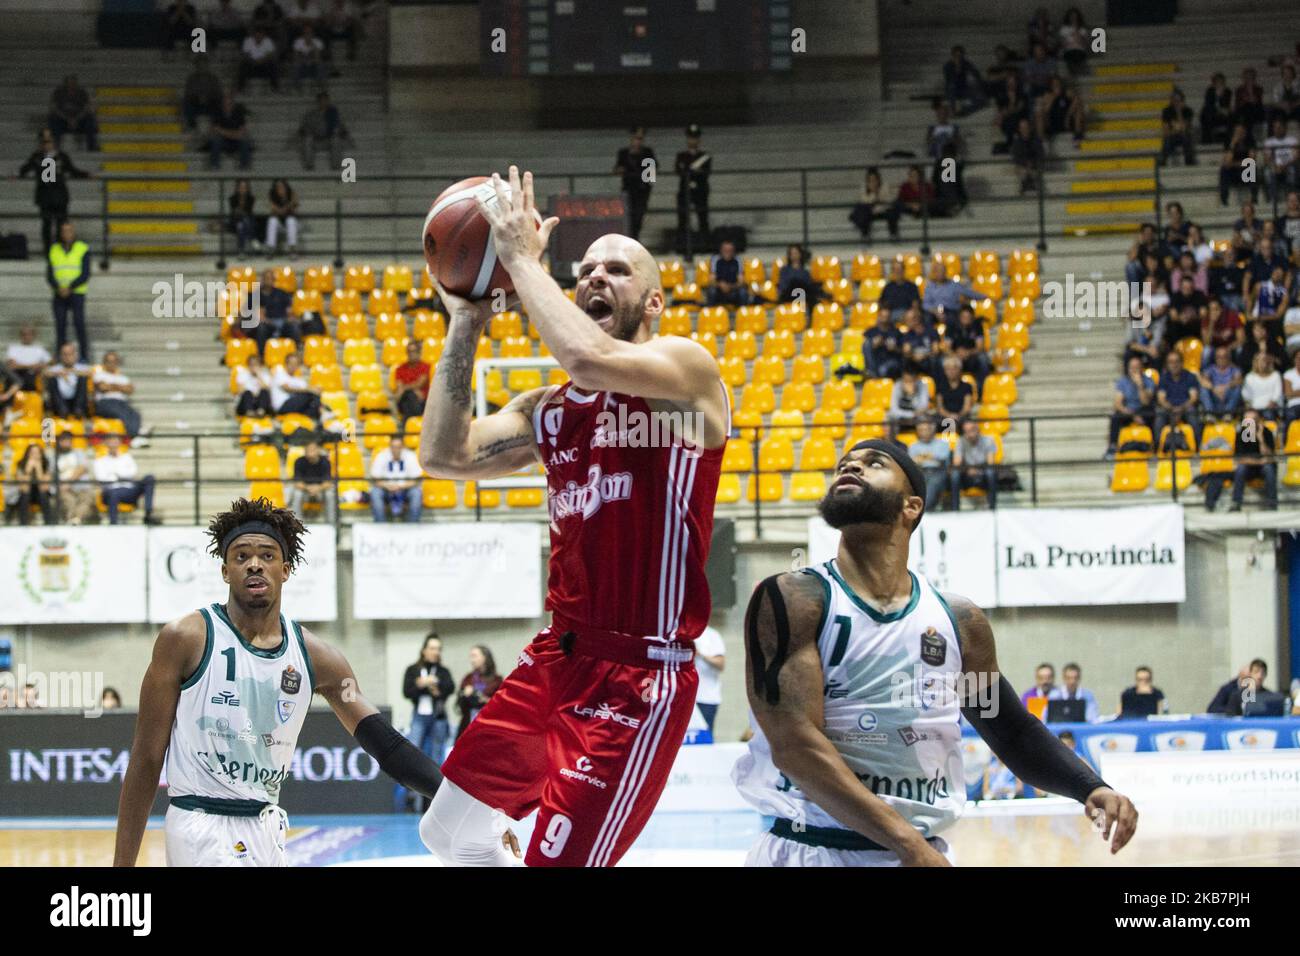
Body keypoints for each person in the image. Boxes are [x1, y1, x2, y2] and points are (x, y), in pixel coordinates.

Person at [418, 167, 728, 868]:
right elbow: (441, 454)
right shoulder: (549, 412)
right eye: (584, 267)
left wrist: (522, 259)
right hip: (557, 657)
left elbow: (586, 356)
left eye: (616, 269)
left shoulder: (685, 371)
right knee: (446, 831)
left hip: (638, 677)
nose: (594, 277)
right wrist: (465, 318)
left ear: (652, 300)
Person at [732, 440, 1138, 866]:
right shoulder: (796, 598)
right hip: (814, 849)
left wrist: (1090, 787)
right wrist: (908, 844)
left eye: (874, 463)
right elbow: (795, 746)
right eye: (844, 464)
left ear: (911, 506)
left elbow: (1009, 730)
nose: (851, 467)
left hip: (922, 851)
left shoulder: (959, 621)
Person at [113, 497, 461, 867]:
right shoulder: (185, 638)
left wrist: (458, 799)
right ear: (225, 571)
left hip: (267, 826)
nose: (254, 565)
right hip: (201, 824)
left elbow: (384, 743)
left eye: (266, 556)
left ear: (286, 569)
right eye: (241, 556)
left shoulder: (317, 657)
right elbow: (147, 758)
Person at [18, 129, 93, 253]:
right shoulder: (37, 157)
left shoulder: (61, 156)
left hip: (60, 196)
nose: (47, 144)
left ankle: (61, 249)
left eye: (49, 141)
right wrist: (17, 174)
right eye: (44, 141)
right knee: (46, 225)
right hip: (44, 196)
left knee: (61, 224)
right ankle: (48, 251)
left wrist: (86, 174)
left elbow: (72, 170)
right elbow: (25, 168)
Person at [403, 633, 455, 766]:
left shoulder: (443, 671)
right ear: (424, 650)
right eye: (432, 648)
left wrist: (436, 686)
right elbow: (407, 691)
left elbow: (450, 688)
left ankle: (436, 786)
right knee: (413, 750)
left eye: (438, 649)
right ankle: (412, 785)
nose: (435, 652)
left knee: (437, 752)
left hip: (438, 715)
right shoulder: (413, 669)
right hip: (419, 715)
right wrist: (420, 685)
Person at [47, 220, 91, 362]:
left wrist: (70, 287)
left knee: (79, 324)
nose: (67, 234)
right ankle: (61, 358)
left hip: (77, 293)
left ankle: (83, 356)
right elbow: (49, 274)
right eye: (64, 231)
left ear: (74, 232)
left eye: (69, 230)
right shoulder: (54, 249)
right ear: (61, 233)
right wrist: (57, 287)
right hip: (59, 293)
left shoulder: (82, 248)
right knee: (60, 326)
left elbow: (85, 273)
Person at [93, 434, 159, 525]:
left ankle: (148, 513)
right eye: (111, 442)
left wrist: (115, 473)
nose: (113, 445)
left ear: (119, 443)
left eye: (115, 442)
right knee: (114, 494)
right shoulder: (99, 461)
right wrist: (123, 475)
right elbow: (102, 478)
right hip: (111, 491)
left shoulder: (127, 457)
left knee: (149, 478)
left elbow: (133, 472)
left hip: (129, 490)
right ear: (106, 444)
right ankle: (113, 524)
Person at [93, 351, 148, 442]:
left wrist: (111, 386)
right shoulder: (99, 375)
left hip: (122, 403)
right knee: (122, 414)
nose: (112, 364)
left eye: (114, 361)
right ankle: (133, 437)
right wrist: (121, 387)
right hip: (106, 403)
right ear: (104, 362)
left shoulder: (123, 377)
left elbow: (130, 390)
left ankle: (134, 435)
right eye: (109, 361)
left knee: (135, 414)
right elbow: (102, 387)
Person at [613, 127, 655, 241]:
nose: (638, 141)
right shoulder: (624, 153)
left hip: (642, 191)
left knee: (638, 219)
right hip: (628, 191)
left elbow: (651, 175)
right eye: (636, 138)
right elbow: (617, 169)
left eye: (640, 139)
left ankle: (635, 240)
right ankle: (630, 240)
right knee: (628, 218)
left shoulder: (647, 153)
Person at [674, 124, 711, 253]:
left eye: (695, 138)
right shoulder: (681, 155)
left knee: (703, 218)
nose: (693, 141)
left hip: (700, 191)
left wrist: (688, 169)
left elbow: (705, 173)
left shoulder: (705, 156)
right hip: (685, 191)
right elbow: (679, 170)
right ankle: (682, 247)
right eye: (690, 138)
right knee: (683, 219)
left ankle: (705, 246)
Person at [907, 417, 957, 510]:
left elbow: (942, 461)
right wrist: (931, 457)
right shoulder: (913, 446)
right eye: (921, 430)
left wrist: (922, 458)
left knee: (933, 483)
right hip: (920, 473)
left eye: (926, 429)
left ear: (932, 429)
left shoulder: (943, 443)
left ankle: (923, 510)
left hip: (938, 472)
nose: (924, 432)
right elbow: (913, 463)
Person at [1108, 356, 1156, 454]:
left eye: (1136, 367)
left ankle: (1154, 447)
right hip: (1129, 411)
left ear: (1142, 368)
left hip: (1144, 410)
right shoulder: (1123, 382)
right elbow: (1118, 403)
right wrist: (1132, 415)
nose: (1134, 370)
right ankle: (1113, 446)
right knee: (1115, 416)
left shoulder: (1148, 381)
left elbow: (1145, 402)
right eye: (1132, 368)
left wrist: (1140, 385)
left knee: (1153, 415)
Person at [369, 435, 422, 523]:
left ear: (403, 447)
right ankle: (380, 525)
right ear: (390, 447)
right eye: (393, 447)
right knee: (375, 492)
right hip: (386, 489)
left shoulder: (411, 456)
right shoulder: (381, 456)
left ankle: (413, 524)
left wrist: (400, 487)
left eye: (398, 447)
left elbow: (415, 480)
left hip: (405, 489)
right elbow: (376, 479)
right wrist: (388, 486)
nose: (395, 450)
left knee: (416, 493)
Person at [454, 645, 501, 739]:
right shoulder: (468, 679)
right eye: (471, 657)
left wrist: (483, 699)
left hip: (488, 726)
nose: (472, 660)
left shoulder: (497, 680)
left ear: (485, 657)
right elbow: (459, 704)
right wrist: (464, 694)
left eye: (474, 656)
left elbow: (500, 705)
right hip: (468, 724)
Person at [4, 444, 56, 525]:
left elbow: (44, 488)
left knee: (43, 495)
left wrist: (39, 469)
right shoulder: (21, 464)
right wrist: (28, 470)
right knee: (25, 495)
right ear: (27, 454)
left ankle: (49, 524)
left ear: (41, 454)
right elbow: (23, 488)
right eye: (32, 453)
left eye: (37, 453)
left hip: (40, 492)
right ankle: (23, 524)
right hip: (26, 492)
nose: (35, 456)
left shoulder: (46, 464)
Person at [298, 92, 351, 171]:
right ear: (318, 102)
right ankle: (309, 167)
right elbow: (304, 127)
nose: (323, 102)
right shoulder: (311, 114)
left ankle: (336, 167)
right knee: (307, 140)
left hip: (329, 140)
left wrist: (339, 131)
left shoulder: (334, 113)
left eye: (325, 100)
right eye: (321, 100)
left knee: (336, 140)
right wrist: (308, 132)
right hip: (316, 140)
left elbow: (342, 128)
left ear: (328, 101)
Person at [53, 430, 97, 524]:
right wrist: (60, 486)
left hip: (80, 485)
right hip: (62, 488)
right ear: (59, 442)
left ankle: (76, 520)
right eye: (64, 440)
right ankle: (72, 521)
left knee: (88, 497)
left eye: (69, 440)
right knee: (69, 501)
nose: (67, 442)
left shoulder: (78, 452)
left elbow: (82, 468)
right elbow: (51, 473)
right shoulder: (54, 456)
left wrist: (68, 483)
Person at [1154, 350, 1199, 442]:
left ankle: (1197, 448)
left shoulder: (1190, 377)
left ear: (1182, 363)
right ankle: (1157, 448)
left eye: (1176, 361)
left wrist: (1181, 408)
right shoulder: (1164, 378)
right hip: (1169, 408)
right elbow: (1161, 399)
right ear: (1167, 364)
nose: (1174, 365)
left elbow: (1193, 398)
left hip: (1185, 407)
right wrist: (1172, 409)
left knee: (1192, 414)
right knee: (1159, 416)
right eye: (1171, 362)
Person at [287, 438, 336, 523]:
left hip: (320, 492)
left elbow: (328, 483)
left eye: (312, 449)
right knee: (297, 493)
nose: (310, 452)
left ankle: (331, 523)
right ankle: (297, 523)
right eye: (307, 450)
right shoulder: (299, 461)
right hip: (305, 491)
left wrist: (318, 488)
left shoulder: (325, 462)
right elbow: (297, 483)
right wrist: (308, 488)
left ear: (318, 450)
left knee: (330, 494)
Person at [954, 418, 998, 508]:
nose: (970, 434)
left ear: (978, 429)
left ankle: (992, 507)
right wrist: (967, 470)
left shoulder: (988, 440)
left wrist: (977, 469)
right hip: (967, 475)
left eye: (972, 430)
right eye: (966, 431)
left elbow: (990, 462)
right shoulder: (960, 441)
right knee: (955, 474)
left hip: (983, 475)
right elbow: (956, 463)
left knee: (990, 472)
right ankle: (955, 508)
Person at [47, 76, 98, 152]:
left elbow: (87, 108)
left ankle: (91, 147)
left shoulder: (82, 93)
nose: (71, 85)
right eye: (69, 83)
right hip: (63, 121)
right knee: (53, 119)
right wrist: (68, 119)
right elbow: (54, 108)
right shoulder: (59, 93)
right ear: (65, 84)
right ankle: (55, 146)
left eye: (73, 83)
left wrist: (76, 119)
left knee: (90, 119)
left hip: (79, 121)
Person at [849, 167, 898, 242]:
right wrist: (873, 194)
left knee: (892, 211)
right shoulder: (864, 187)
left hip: (883, 211)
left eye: (874, 179)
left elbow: (888, 201)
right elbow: (864, 201)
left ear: (878, 179)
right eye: (870, 180)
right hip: (869, 211)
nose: (873, 182)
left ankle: (893, 235)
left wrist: (878, 196)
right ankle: (865, 235)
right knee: (862, 210)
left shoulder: (885, 186)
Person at [693, 624, 726, 734]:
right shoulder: (680, 633)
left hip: (706, 698)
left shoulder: (712, 635)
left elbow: (721, 664)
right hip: (685, 696)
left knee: (704, 737)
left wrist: (700, 654)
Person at [45, 341, 92, 418]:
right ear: (60, 356)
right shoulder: (55, 368)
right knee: (51, 379)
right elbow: (45, 373)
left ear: (75, 355)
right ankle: (62, 410)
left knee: (83, 379)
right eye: (64, 354)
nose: (67, 357)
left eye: (70, 354)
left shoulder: (82, 367)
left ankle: (78, 410)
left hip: (77, 401)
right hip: (59, 402)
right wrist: (57, 373)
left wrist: (71, 371)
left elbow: (91, 373)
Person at [270, 352, 322, 419]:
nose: (293, 366)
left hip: (295, 407)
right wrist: (310, 390)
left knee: (313, 400)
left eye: (295, 364)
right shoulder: (279, 374)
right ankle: (323, 413)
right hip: (282, 406)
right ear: (286, 364)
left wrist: (315, 389)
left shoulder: (298, 379)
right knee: (309, 394)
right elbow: (287, 388)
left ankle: (314, 420)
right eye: (291, 363)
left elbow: (309, 389)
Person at [209, 92, 252, 170]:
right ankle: (214, 166)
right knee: (215, 141)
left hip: (236, 142)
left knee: (245, 141)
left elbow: (242, 132)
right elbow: (214, 130)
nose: (227, 105)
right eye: (225, 102)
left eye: (229, 103)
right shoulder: (217, 112)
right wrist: (233, 134)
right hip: (223, 142)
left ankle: (244, 167)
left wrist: (223, 132)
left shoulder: (238, 113)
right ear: (222, 103)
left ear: (233, 103)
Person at [1199, 346, 1242, 421]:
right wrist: (1214, 388)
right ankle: (1210, 414)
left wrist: (1225, 387)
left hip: (1227, 400)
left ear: (1229, 358)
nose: (1221, 359)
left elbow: (1239, 380)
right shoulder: (1211, 369)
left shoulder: (1234, 369)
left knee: (1237, 389)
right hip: (1214, 400)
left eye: (1224, 356)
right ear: (1215, 358)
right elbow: (1203, 381)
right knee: (1203, 390)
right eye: (1219, 357)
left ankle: (1227, 414)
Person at [181, 57, 223, 132]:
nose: (202, 68)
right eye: (200, 65)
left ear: (207, 66)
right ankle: (191, 125)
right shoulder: (191, 78)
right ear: (196, 66)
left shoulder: (213, 78)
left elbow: (219, 93)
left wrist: (208, 97)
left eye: (204, 65)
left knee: (220, 102)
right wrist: (198, 97)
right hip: (196, 104)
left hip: (210, 104)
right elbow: (188, 93)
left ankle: (216, 124)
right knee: (185, 102)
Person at [7, 324, 52, 392]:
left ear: (33, 336)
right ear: (20, 336)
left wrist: (42, 365)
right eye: (24, 334)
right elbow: (12, 366)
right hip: (18, 374)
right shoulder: (13, 348)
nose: (27, 336)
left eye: (29, 334)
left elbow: (51, 361)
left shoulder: (39, 349)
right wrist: (33, 366)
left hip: (34, 375)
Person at [942, 45, 986, 116]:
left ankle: (965, 110)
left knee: (981, 99)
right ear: (952, 55)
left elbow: (976, 74)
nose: (958, 58)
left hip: (964, 89)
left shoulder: (966, 63)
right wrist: (957, 68)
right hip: (953, 90)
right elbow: (949, 79)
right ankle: (953, 110)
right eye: (956, 56)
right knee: (951, 87)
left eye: (960, 56)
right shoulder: (948, 65)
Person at [392, 340, 430, 419]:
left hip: (421, 402)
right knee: (410, 396)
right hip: (406, 401)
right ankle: (414, 426)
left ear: (419, 352)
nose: (411, 354)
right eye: (409, 351)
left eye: (413, 351)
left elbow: (420, 384)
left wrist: (405, 388)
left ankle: (408, 425)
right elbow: (399, 388)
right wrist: (413, 390)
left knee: (409, 398)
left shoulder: (425, 366)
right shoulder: (400, 369)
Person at [886, 369, 929, 437]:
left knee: (925, 419)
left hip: (916, 419)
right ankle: (892, 444)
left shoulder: (922, 385)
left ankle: (922, 444)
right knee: (889, 418)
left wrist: (912, 395)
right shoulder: (898, 385)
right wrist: (911, 414)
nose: (908, 383)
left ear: (916, 379)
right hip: (901, 418)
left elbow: (923, 407)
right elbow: (894, 410)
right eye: (906, 380)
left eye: (911, 381)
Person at [1159, 89, 1196, 167]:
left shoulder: (1188, 111)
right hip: (1171, 136)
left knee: (1187, 137)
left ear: (1182, 101)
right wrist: (1176, 129)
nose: (1176, 103)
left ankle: (1189, 162)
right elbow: (1166, 130)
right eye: (1174, 100)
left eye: (1178, 100)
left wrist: (1179, 112)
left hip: (1184, 135)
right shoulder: (1166, 111)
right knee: (1167, 140)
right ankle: (1162, 162)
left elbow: (1184, 128)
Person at [707, 239, 749, 307]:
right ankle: (711, 314)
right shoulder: (715, 259)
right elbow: (711, 281)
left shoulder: (738, 260)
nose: (727, 252)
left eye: (730, 250)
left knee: (743, 292)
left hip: (733, 290)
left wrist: (730, 287)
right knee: (712, 290)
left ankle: (743, 314)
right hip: (719, 291)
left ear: (733, 251)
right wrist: (720, 285)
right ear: (721, 250)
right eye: (725, 250)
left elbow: (741, 282)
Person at [238, 25, 280, 92]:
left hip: (264, 65)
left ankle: (275, 87)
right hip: (252, 64)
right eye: (257, 34)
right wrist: (253, 61)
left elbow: (270, 55)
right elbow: (246, 54)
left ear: (263, 35)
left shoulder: (268, 41)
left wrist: (261, 60)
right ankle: (241, 87)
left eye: (260, 34)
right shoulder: (248, 41)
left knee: (273, 64)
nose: (258, 36)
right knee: (243, 64)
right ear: (254, 34)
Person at [1242, 352, 1283, 420]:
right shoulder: (1249, 377)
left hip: (1271, 408)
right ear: (1255, 362)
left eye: (1265, 360)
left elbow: (1277, 394)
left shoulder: (1276, 375)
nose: (1264, 362)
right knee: (1249, 417)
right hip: (1254, 409)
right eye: (1260, 360)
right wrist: (1251, 408)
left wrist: (1271, 405)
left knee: (1268, 414)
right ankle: (1248, 430)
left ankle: (1268, 430)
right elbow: (1246, 395)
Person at [1009, 116, 1045, 194]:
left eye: (1026, 128)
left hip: (1035, 166)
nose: (1024, 130)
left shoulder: (1036, 140)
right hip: (1022, 166)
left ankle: (1029, 186)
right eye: (1022, 128)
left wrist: (1032, 163)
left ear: (1029, 128)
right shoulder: (1017, 142)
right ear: (1019, 129)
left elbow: (1040, 155)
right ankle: (1026, 186)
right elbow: (1016, 157)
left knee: (1033, 171)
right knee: (1022, 171)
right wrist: (1025, 164)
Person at [935, 354, 974, 424]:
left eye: (954, 368)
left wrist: (958, 416)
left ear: (960, 369)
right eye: (948, 369)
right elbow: (940, 408)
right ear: (944, 371)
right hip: (944, 418)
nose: (951, 371)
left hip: (962, 418)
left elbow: (967, 407)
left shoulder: (967, 386)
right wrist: (949, 416)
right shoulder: (940, 386)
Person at [266, 179, 299, 256]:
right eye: (278, 187)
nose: (280, 188)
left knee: (290, 220)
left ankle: (292, 249)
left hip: (291, 223)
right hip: (279, 223)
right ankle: (270, 249)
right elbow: (273, 208)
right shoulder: (272, 195)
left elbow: (295, 209)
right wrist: (285, 208)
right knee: (272, 220)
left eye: (282, 186)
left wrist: (288, 203)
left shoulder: (291, 193)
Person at [291, 23, 326, 90]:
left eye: (309, 32)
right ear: (303, 32)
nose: (307, 34)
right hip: (302, 65)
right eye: (306, 32)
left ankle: (320, 85)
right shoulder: (298, 41)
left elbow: (318, 58)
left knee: (321, 65)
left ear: (313, 33)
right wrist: (305, 61)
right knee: (295, 65)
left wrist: (312, 44)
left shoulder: (318, 42)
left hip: (313, 65)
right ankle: (297, 86)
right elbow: (296, 57)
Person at [229, 178, 258, 256]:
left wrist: (241, 210)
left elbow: (249, 211)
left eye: (244, 187)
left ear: (247, 188)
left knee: (241, 226)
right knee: (240, 224)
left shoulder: (251, 198)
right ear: (237, 188)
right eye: (241, 187)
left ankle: (241, 250)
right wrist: (242, 211)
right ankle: (252, 238)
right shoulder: (232, 198)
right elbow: (235, 211)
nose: (243, 189)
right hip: (236, 220)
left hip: (248, 220)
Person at [1202, 73, 1233, 145]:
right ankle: (1207, 141)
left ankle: (1228, 140)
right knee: (1205, 115)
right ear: (1214, 83)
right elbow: (1208, 104)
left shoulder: (1228, 91)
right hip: (1212, 113)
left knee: (1230, 116)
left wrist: (1221, 96)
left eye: (1221, 81)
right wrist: (1219, 109)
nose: (1219, 83)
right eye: (1217, 81)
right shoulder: (1210, 91)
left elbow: (1227, 105)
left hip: (1223, 114)